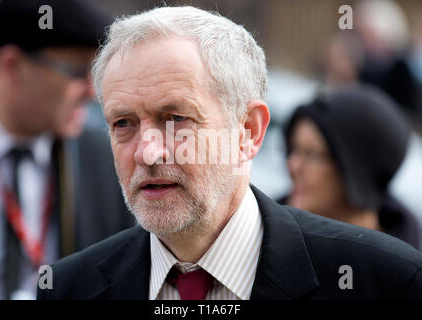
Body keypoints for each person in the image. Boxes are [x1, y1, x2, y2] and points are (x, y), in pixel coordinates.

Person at [38, 6, 422, 300]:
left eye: (175, 118)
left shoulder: (385, 281)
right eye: (123, 123)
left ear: (248, 131)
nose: (147, 152)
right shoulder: (68, 288)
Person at [0, 0, 134, 300]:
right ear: (12, 66)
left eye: (97, 74)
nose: (93, 93)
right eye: (77, 72)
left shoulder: (105, 160)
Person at [283, 85, 422, 250]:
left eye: (311, 154)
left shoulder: (402, 268)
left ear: (358, 172)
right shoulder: (265, 236)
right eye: (294, 150)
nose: (293, 165)